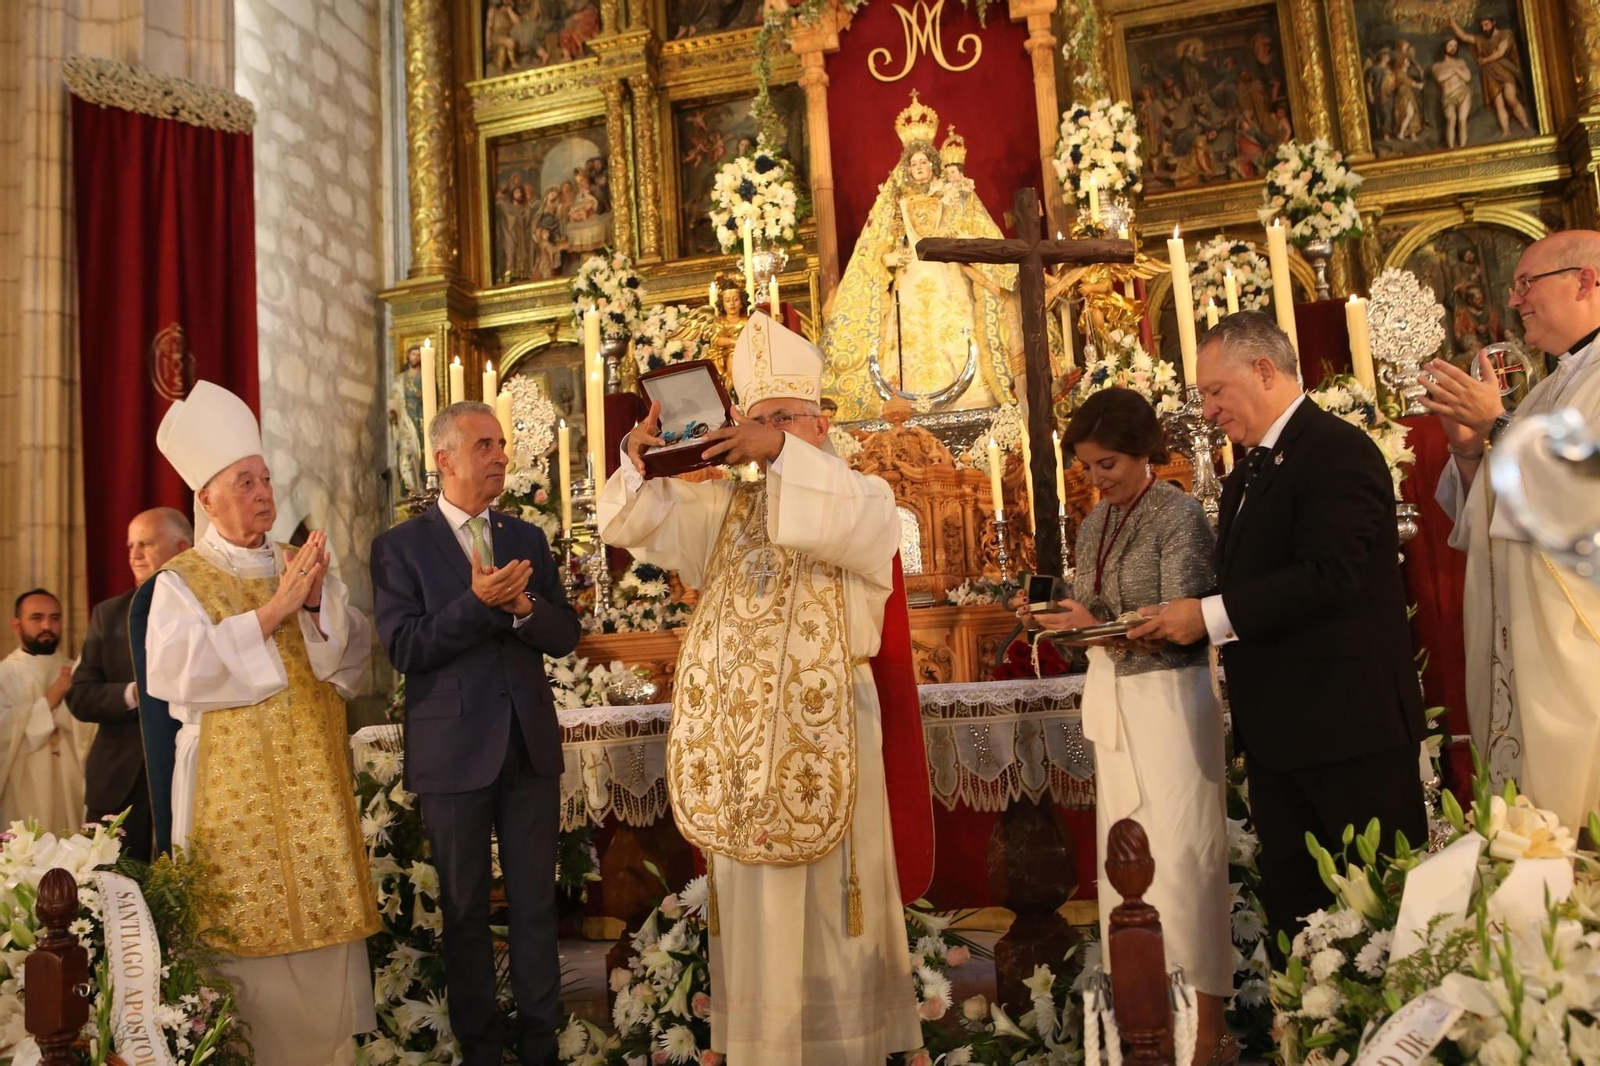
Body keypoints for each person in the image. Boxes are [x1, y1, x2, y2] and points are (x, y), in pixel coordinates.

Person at [598, 311, 923, 1063]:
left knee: (827, 913)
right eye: (757, 419)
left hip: (825, 737)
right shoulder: (725, 510)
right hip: (744, 755)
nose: (769, 433)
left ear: (820, 422)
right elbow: (633, 523)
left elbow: (850, 525)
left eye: (786, 420)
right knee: (754, 912)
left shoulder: (863, 496)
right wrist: (639, 457)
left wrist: (777, 449)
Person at [1131, 311, 1427, 947]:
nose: (1207, 412)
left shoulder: (1337, 451)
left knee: (1380, 925)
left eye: (1215, 392)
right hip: (1283, 739)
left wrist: (1207, 617)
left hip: (1350, 733)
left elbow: (1329, 575)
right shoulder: (1248, 472)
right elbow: (1250, 580)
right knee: (1301, 927)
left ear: (1264, 371)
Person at [140, 380, 378, 1066]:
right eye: (245, 481)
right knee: (244, 961)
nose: (263, 492)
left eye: (266, 478)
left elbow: (347, 662)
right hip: (230, 799)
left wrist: (310, 609)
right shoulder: (180, 583)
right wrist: (273, 613)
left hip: (311, 791)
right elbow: (175, 674)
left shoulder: (296, 566)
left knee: (322, 956)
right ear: (208, 498)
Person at [1023, 388, 1232, 1064]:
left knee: (1181, 859)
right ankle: (1144, 1026)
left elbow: (1183, 624)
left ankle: (1207, 1032)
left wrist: (1096, 626)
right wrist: (1058, 616)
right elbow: (1095, 608)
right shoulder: (1095, 525)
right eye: (1086, 468)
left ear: (1144, 453)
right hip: (1114, 695)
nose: (1096, 480)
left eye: (1107, 465)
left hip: (1172, 700)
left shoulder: (1179, 514)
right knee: (1127, 864)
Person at [371, 401, 580, 1066]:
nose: (499, 456)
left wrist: (523, 609)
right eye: (484, 445)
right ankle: (482, 1049)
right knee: (464, 912)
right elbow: (405, 647)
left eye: (501, 444)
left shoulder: (525, 538)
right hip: (453, 753)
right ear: (444, 460)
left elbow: (567, 633)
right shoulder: (399, 547)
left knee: (535, 906)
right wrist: (477, 605)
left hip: (528, 746)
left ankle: (542, 1044)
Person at [1423, 230, 1600, 828]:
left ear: (1587, 280)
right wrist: (1470, 450)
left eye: (1528, 283)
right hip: (1525, 632)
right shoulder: (1550, 386)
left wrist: (1498, 426)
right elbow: (1491, 517)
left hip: (1577, 642)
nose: (1516, 299)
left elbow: (1583, 491)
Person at [821, 90, 1017, 420]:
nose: (919, 168)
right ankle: (907, 395)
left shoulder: (952, 194)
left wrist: (960, 229)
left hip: (948, 276)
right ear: (906, 168)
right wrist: (888, 261)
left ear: (933, 163)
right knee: (907, 336)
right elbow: (875, 245)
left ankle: (970, 396)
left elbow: (970, 230)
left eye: (924, 162)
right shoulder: (893, 202)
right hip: (910, 277)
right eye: (913, 164)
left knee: (954, 325)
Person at [66, 508, 192, 859]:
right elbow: (79, 696)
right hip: (119, 786)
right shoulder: (107, 614)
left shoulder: (206, 611)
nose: (134, 554)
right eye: (130, 545)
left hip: (190, 774)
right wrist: (133, 694)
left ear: (182, 548)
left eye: (146, 544)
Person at [0, 588, 94, 830]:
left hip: (70, 786)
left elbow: (94, 732)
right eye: (36, 618)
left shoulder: (78, 672)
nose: (47, 625)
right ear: (16, 624)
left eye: (55, 618)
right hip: (22, 789)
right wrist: (49, 702)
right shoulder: (4, 674)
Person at [1450, 15, 1530, 138]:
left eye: (1486, 24)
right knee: (1499, 104)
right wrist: (1452, 22)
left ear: (1494, 22)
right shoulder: (1481, 39)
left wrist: (1484, 60)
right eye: (1482, 26)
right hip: (1489, 74)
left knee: (1510, 98)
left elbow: (1500, 52)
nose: (1484, 28)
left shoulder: (1505, 34)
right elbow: (1463, 36)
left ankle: (1525, 125)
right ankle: (1506, 131)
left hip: (1504, 70)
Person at [1432, 37, 1474, 149]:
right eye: (1450, 45)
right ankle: (1451, 149)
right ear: (1444, 47)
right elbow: (1440, 77)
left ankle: (1463, 148)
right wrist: (1455, 70)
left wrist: (1454, 70)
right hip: (1447, 96)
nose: (1453, 48)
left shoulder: (1460, 62)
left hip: (1463, 93)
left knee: (1462, 121)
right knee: (1451, 120)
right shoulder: (1437, 66)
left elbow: (1467, 77)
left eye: (1455, 46)